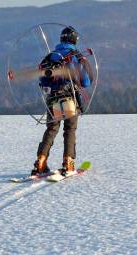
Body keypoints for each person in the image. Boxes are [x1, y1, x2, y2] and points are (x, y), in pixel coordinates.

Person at [31, 26, 93, 179]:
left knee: (52, 129)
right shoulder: (76, 55)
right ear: (74, 40)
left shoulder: (51, 56)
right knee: (69, 130)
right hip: (69, 99)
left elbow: (42, 79)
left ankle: (40, 163)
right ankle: (68, 163)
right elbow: (85, 81)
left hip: (52, 99)